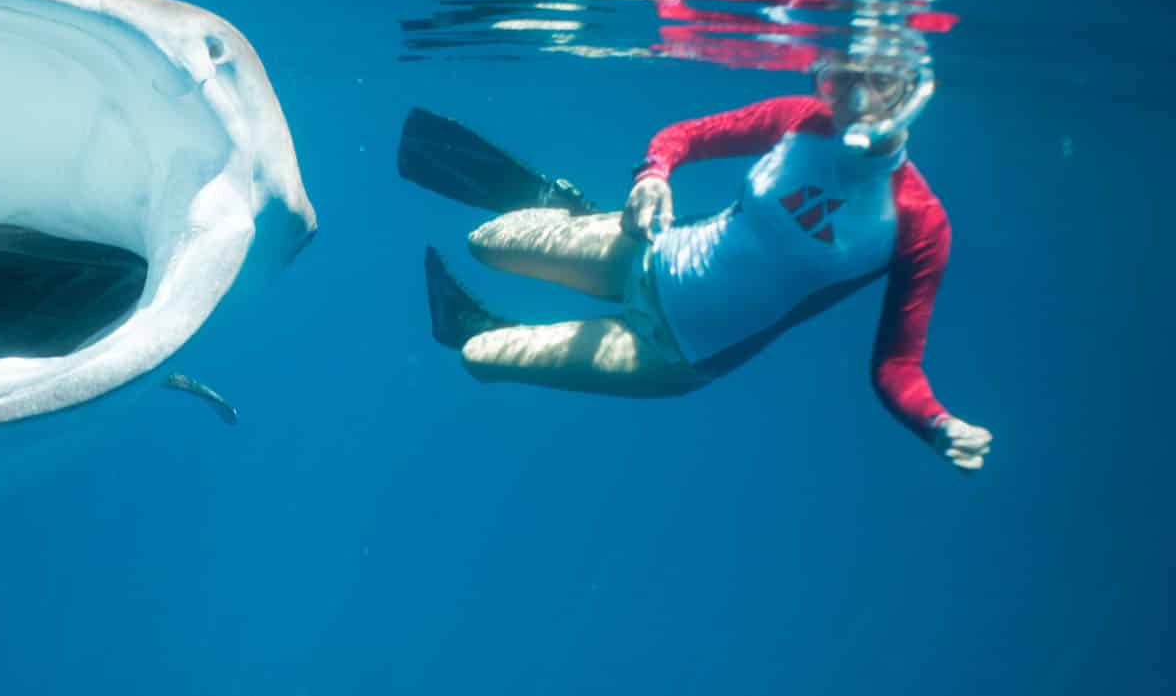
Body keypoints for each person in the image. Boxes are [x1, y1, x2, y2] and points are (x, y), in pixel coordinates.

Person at [399, 51, 991, 472]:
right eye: (842, 81)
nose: (852, 101)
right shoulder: (798, 119)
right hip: (646, 251)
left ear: (912, 95)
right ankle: (569, 209)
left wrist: (936, 425)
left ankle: (508, 331)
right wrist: (654, 176)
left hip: (669, 352)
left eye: (875, 85)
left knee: (477, 355)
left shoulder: (919, 224)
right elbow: (684, 137)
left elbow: (896, 366)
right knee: (485, 242)